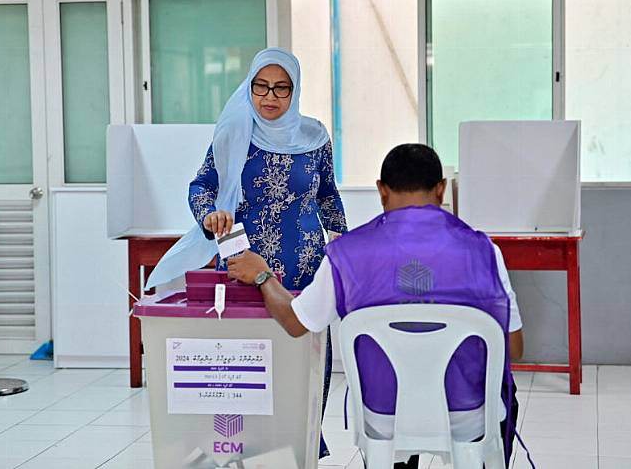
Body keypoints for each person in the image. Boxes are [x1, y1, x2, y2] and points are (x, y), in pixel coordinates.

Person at [228, 143, 524, 469]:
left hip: (384, 417)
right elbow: (514, 347)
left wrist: (262, 275)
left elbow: (294, 322)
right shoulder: (483, 251)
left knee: (392, 419)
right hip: (466, 415)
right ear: (441, 189)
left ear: (381, 191)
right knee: (502, 399)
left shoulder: (346, 254)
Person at [146, 47, 348, 458]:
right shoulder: (234, 132)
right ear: (249, 88)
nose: (270, 97)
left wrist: (344, 243)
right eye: (261, 86)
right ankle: (241, 452)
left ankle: (301, 448)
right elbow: (201, 186)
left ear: (295, 92)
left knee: (303, 364)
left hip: (305, 271)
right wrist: (209, 216)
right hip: (242, 268)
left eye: (281, 88)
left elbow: (327, 196)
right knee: (244, 368)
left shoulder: (314, 138)